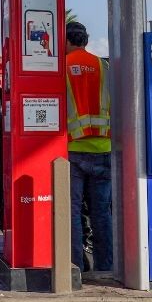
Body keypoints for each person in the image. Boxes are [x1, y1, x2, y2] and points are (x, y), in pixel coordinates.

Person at [64, 21, 113, 273]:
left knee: (71, 211)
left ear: (67, 41)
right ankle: (106, 266)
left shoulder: (62, 67)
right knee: (102, 213)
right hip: (104, 147)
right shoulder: (103, 67)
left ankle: (76, 266)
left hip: (72, 149)